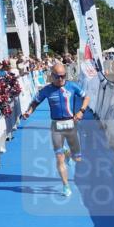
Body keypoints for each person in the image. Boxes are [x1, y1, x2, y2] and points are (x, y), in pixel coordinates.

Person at [21, 64, 89, 197]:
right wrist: (29, 111)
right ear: (52, 76)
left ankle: (68, 153)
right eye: (58, 76)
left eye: (64, 76)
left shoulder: (72, 86)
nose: (61, 79)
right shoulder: (47, 90)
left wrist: (81, 111)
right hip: (56, 125)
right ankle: (66, 185)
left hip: (71, 124)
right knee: (59, 158)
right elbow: (35, 102)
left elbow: (86, 97)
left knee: (77, 157)